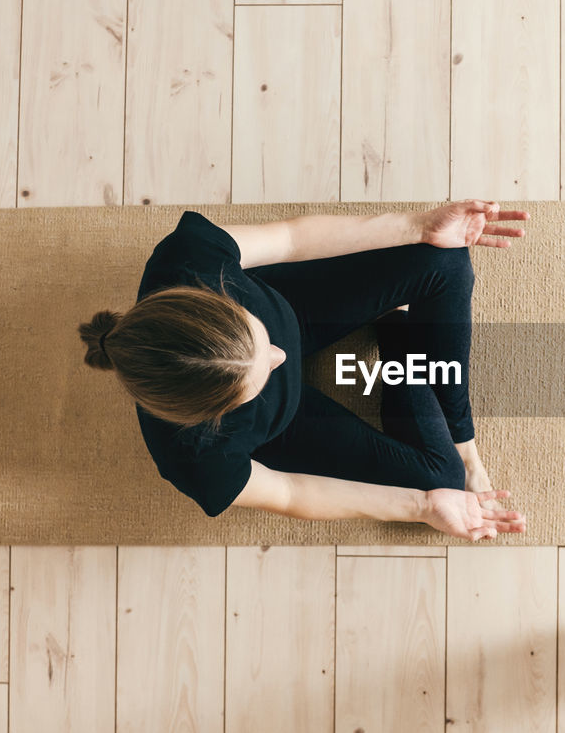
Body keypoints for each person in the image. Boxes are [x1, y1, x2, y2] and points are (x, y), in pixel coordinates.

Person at [78, 199, 529, 542]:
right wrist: (423, 506)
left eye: (258, 339)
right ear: (213, 414)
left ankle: (461, 435)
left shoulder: (189, 258)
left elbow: (294, 240)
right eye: (254, 383)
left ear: (217, 298)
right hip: (288, 424)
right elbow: (291, 493)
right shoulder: (196, 460)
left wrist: (418, 225)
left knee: (443, 256)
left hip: (296, 306)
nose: (279, 358)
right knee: (442, 485)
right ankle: (397, 329)